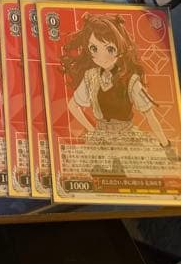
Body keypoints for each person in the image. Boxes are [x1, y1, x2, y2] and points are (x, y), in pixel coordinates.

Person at [61, 14, 177, 164]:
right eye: (94, 48)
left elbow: (150, 116)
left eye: (110, 49)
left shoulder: (131, 80)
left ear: (120, 48)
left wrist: (166, 146)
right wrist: (92, 131)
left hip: (126, 140)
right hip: (101, 139)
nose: (102, 57)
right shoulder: (91, 76)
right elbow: (72, 105)